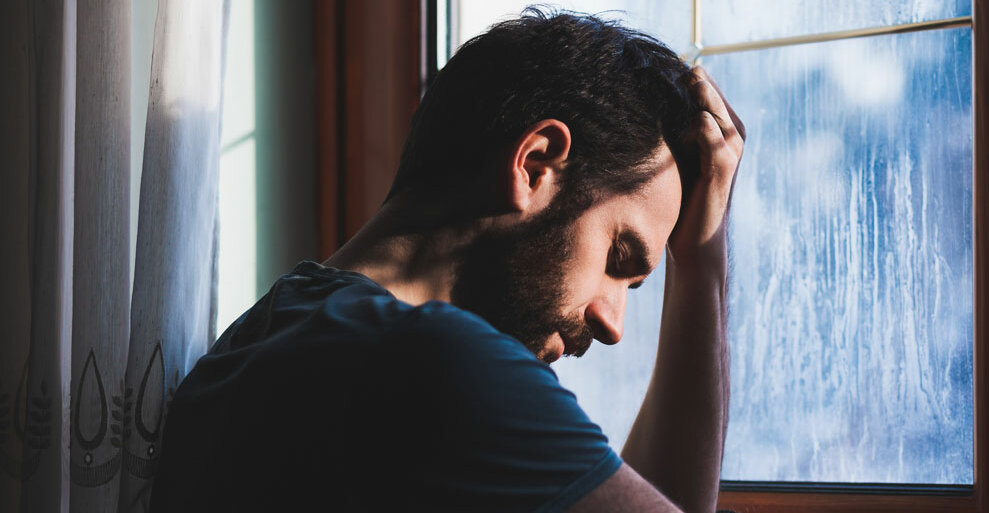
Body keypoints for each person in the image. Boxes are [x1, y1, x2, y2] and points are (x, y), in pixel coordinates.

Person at [150, 8, 744, 513]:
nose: (612, 325)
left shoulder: (263, 337)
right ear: (536, 164)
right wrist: (704, 262)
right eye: (618, 256)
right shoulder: (442, 365)